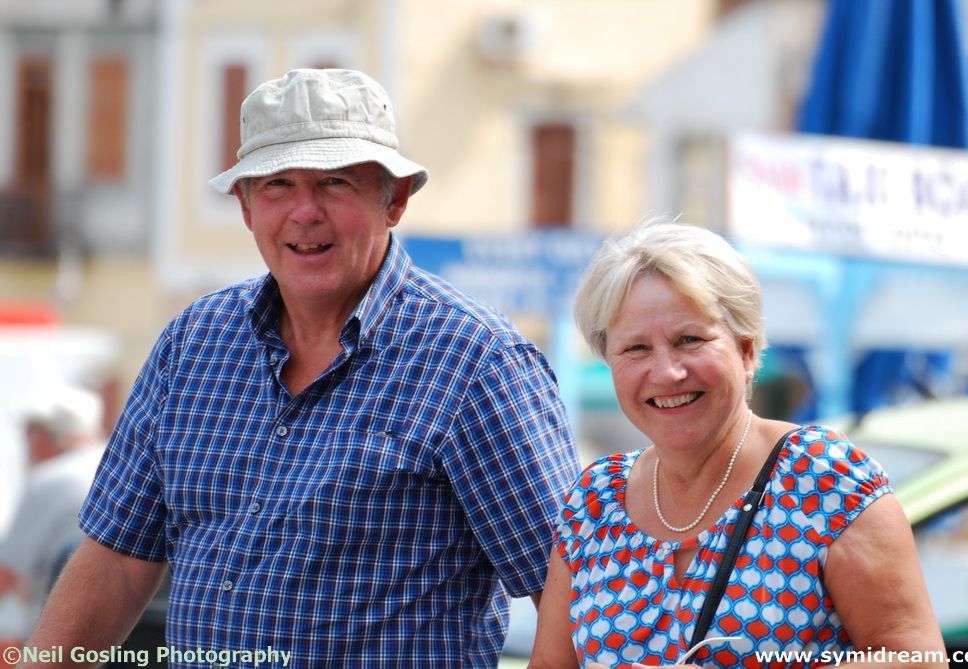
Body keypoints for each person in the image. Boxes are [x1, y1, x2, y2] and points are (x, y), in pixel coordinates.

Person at [21, 68, 578, 668]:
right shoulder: (192, 345)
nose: (305, 212)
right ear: (245, 206)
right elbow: (117, 560)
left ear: (394, 199)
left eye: (335, 182)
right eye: (278, 185)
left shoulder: (476, 363)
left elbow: (567, 589)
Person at [528, 221, 946, 669]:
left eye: (689, 340)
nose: (667, 372)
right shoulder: (595, 501)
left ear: (746, 351)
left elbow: (918, 659)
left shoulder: (823, 478)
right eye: (636, 349)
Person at [0, 385, 105, 639]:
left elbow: (6, 575)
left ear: (41, 437)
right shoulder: (115, 466)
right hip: (119, 630)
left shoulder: (49, 481)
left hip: (53, 635)